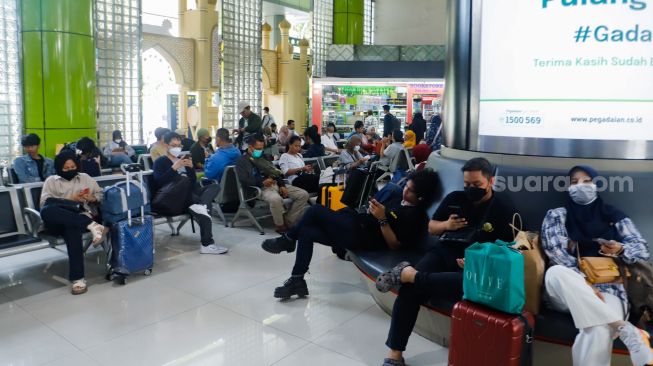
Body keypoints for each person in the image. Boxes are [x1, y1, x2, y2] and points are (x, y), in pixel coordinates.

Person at [377, 157, 516, 366]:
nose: (470, 189)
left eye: (477, 185)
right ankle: (395, 354)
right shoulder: (456, 198)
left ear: (491, 181)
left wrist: (478, 260)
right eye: (467, 184)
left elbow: (508, 250)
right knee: (409, 289)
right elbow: (432, 227)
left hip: (474, 264)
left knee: (456, 282)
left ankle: (409, 274)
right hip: (443, 252)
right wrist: (447, 225)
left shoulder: (502, 208)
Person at [261, 169, 439, 299]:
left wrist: (382, 218)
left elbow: (394, 245)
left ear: (421, 198)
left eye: (410, 190)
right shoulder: (398, 199)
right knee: (306, 232)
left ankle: (288, 240)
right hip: (358, 225)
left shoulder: (416, 216)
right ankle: (297, 280)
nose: (405, 191)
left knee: (315, 211)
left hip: (361, 237)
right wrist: (374, 210)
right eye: (406, 186)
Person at [541, 165, 652, 366]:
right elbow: (555, 252)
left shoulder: (614, 215)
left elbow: (642, 250)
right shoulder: (557, 214)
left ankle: (625, 330)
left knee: (599, 329)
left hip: (610, 288)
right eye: (574, 182)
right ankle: (625, 328)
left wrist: (620, 249)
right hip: (568, 287)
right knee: (556, 272)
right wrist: (585, 282)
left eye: (586, 181)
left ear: (596, 184)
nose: (579, 186)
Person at [40, 150, 107, 295]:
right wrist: (71, 200)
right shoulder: (51, 181)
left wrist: (92, 198)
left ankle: (78, 279)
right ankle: (92, 226)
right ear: (59, 168)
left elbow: (101, 194)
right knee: (47, 209)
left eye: (73, 167)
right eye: (66, 168)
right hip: (57, 219)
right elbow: (44, 204)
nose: (70, 170)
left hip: (77, 218)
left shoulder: (85, 178)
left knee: (72, 230)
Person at [152, 132, 228, 255]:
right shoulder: (161, 162)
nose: (177, 148)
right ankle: (207, 244)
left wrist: (191, 168)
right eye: (173, 145)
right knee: (201, 203)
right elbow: (159, 182)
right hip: (174, 198)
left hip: (189, 196)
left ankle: (201, 206)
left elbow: (192, 183)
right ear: (166, 146)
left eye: (179, 145)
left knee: (214, 187)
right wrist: (174, 168)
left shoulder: (183, 160)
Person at [235, 133, 309, 234]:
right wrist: (262, 182)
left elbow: (276, 172)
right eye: (258, 148)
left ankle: (289, 220)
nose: (260, 150)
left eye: (261, 148)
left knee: (303, 195)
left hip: (275, 184)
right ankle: (280, 226)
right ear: (250, 147)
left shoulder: (264, 157)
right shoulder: (242, 161)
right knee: (275, 199)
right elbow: (244, 179)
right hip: (259, 188)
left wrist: (282, 185)